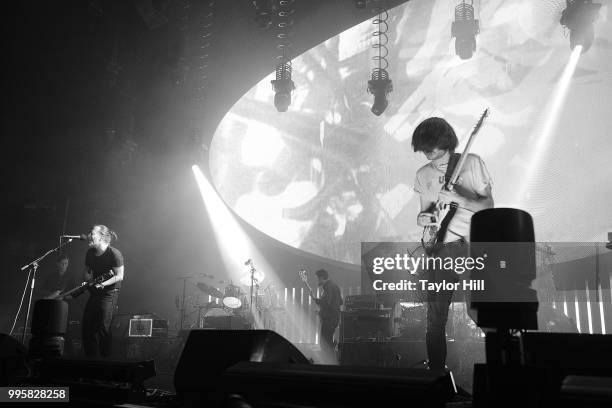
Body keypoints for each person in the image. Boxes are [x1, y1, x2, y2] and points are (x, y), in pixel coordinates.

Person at [412, 117, 493, 370]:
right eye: (423, 148)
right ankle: (435, 374)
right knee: (435, 319)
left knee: (479, 312)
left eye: (431, 147)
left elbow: (488, 206)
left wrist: (459, 198)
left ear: (445, 141)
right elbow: (425, 214)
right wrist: (423, 218)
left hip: (469, 246)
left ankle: (504, 364)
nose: (427, 153)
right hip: (440, 249)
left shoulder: (471, 162)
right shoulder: (423, 174)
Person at [81, 224, 124, 358]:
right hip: (95, 292)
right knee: (87, 328)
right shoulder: (90, 253)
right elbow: (87, 272)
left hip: (109, 294)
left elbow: (119, 276)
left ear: (101, 237)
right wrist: (87, 279)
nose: (89, 236)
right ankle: (91, 363)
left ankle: (106, 364)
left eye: (92, 233)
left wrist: (103, 284)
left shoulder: (114, 254)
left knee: (103, 329)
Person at [312, 269, 343, 362]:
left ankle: (328, 362)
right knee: (328, 340)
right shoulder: (335, 286)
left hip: (329, 319)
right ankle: (332, 360)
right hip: (334, 318)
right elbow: (340, 302)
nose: (317, 281)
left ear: (321, 278)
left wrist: (316, 300)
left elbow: (327, 303)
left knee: (324, 342)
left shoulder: (327, 287)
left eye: (317, 279)